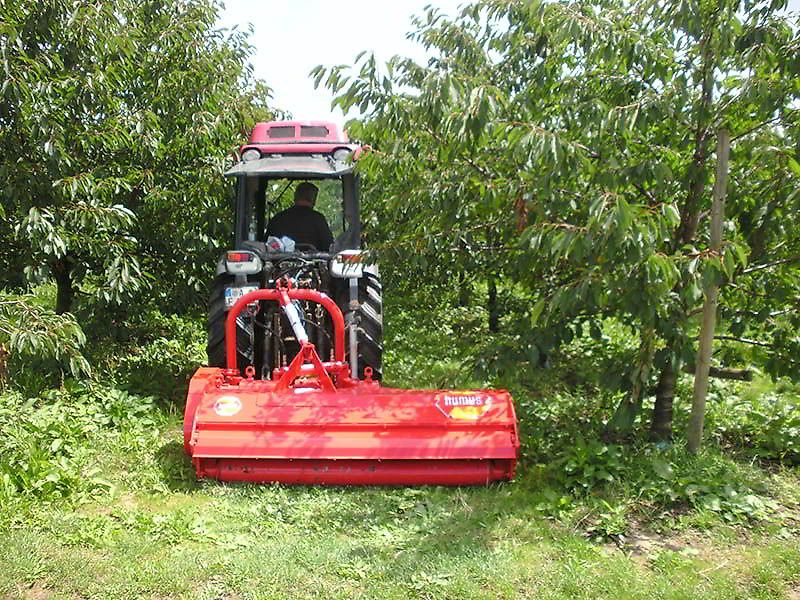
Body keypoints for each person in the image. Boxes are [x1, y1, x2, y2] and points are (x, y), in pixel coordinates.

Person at [266, 182, 334, 251]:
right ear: (314, 200)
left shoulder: (278, 218)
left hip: (278, 261)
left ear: (295, 196)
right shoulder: (319, 219)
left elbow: (266, 244)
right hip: (313, 261)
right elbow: (329, 246)